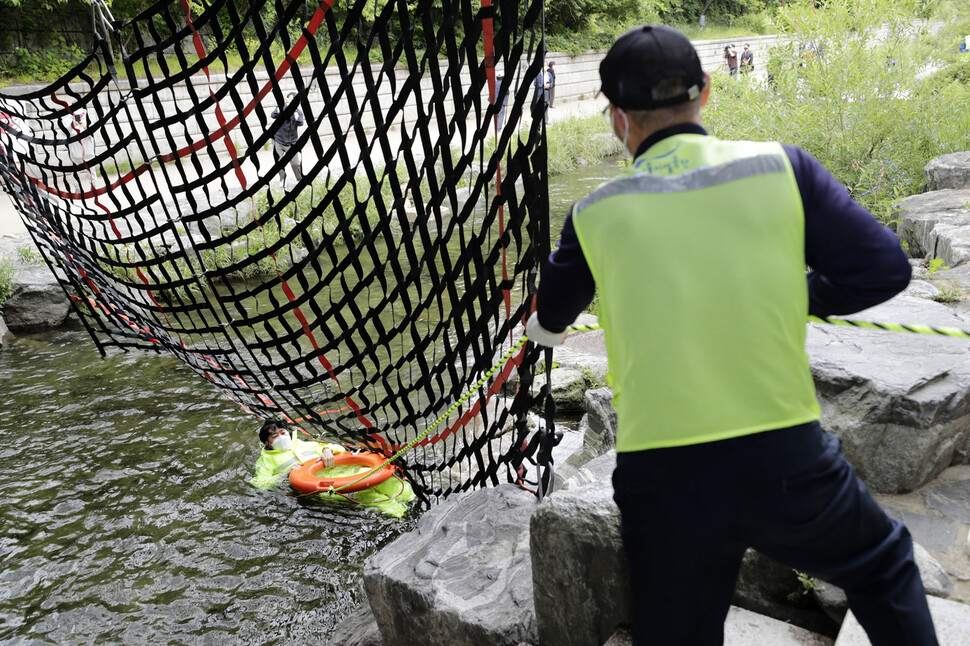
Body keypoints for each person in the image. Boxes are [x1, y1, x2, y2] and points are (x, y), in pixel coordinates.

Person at [526, 24, 938, 646]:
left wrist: (543, 328)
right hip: (786, 462)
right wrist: (798, 294)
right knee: (881, 567)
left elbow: (550, 321)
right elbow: (883, 269)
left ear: (616, 117)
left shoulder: (593, 213)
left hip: (662, 480)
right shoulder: (783, 166)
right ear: (707, 92)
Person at [250, 420, 416, 517]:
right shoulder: (265, 461)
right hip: (328, 486)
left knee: (386, 482)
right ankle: (405, 517)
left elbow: (337, 448)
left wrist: (327, 450)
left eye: (283, 432)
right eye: (274, 436)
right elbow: (260, 483)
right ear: (267, 443)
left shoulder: (304, 443)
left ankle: (414, 501)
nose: (281, 436)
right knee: (370, 497)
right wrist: (284, 475)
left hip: (346, 473)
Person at [270, 92, 304, 186]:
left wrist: (295, 110)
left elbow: (300, 122)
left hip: (291, 142)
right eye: (289, 99)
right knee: (280, 162)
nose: (291, 102)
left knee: (295, 163)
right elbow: (273, 115)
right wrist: (281, 104)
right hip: (278, 140)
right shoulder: (282, 109)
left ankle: (299, 179)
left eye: (293, 100)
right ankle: (282, 179)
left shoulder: (298, 112)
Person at [65, 109, 96, 193]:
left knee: (91, 169)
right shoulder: (68, 119)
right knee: (75, 171)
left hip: (88, 151)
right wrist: (71, 126)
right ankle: (77, 188)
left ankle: (93, 187)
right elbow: (63, 133)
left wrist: (86, 127)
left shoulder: (88, 118)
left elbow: (94, 133)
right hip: (75, 152)